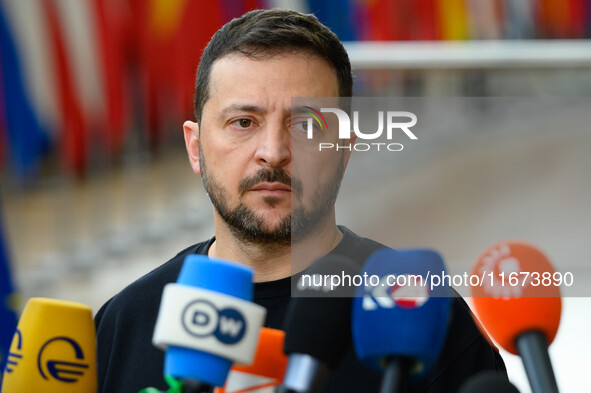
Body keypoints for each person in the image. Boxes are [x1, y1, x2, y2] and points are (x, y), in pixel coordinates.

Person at [95, 9, 507, 393]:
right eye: (243, 122)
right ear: (195, 147)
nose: (273, 152)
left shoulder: (422, 314)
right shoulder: (127, 323)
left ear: (344, 151)